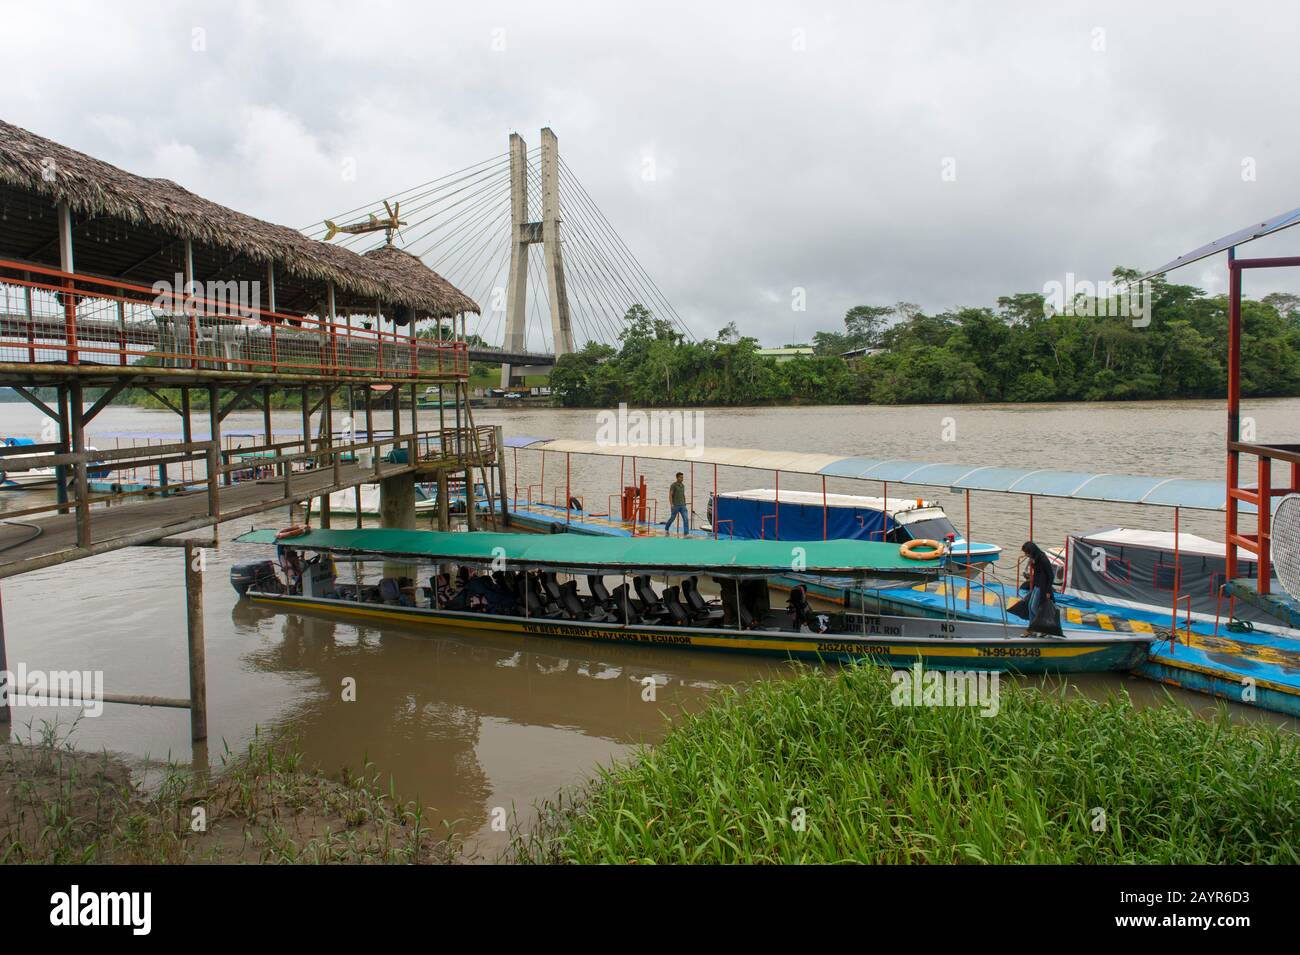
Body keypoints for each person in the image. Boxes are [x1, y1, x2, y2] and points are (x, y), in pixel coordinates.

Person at [664, 472, 689, 536]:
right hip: (675, 505)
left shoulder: (683, 485)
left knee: (686, 519)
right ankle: (666, 528)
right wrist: (671, 504)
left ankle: (686, 533)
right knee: (672, 518)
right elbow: (670, 495)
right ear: (677, 478)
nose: (682, 479)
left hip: (683, 505)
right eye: (681, 477)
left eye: (682, 477)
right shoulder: (673, 485)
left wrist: (685, 502)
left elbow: (683, 495)